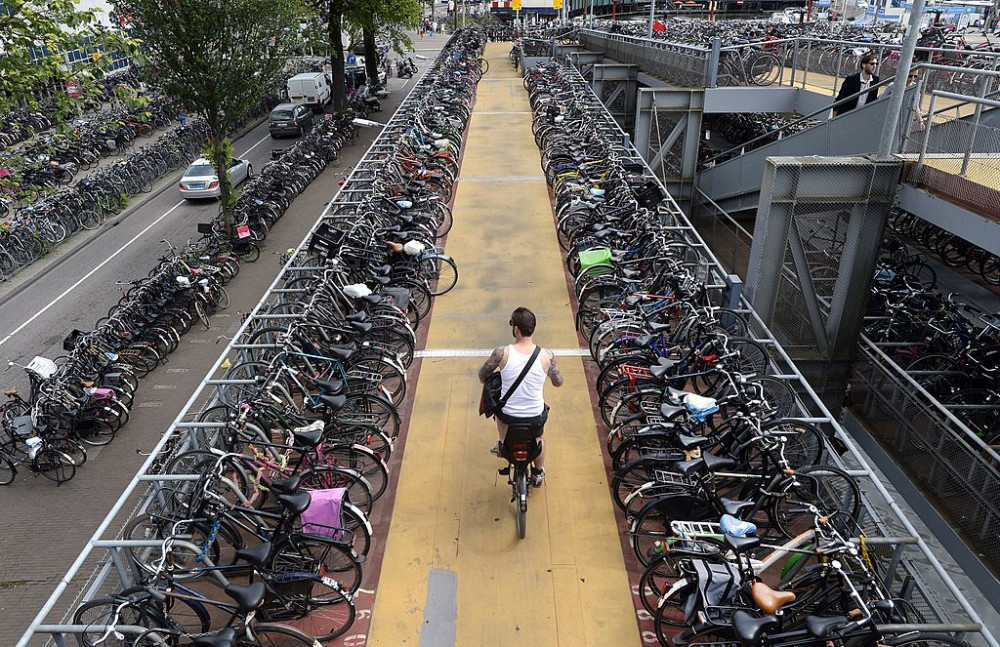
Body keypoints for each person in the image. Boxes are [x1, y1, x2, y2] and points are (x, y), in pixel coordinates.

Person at [478, 307, 563, 487]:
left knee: (498, 413)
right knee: (539, 440)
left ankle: (502, 443)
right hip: (534, 415)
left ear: (516, 329)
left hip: (509, 415)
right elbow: (558, 382)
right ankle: (538, 472)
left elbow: (482, 376)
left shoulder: (501, 353)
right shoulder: (547, 355)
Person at [833, 53, 880, 117]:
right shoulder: (851, 79)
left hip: (863, 116)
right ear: (864, 65)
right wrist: (834, 116)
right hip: (847, 114)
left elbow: (873, 100)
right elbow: (840, 98)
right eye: (872, 64)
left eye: (876, 64)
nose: (875, 66)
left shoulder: (875, 80)